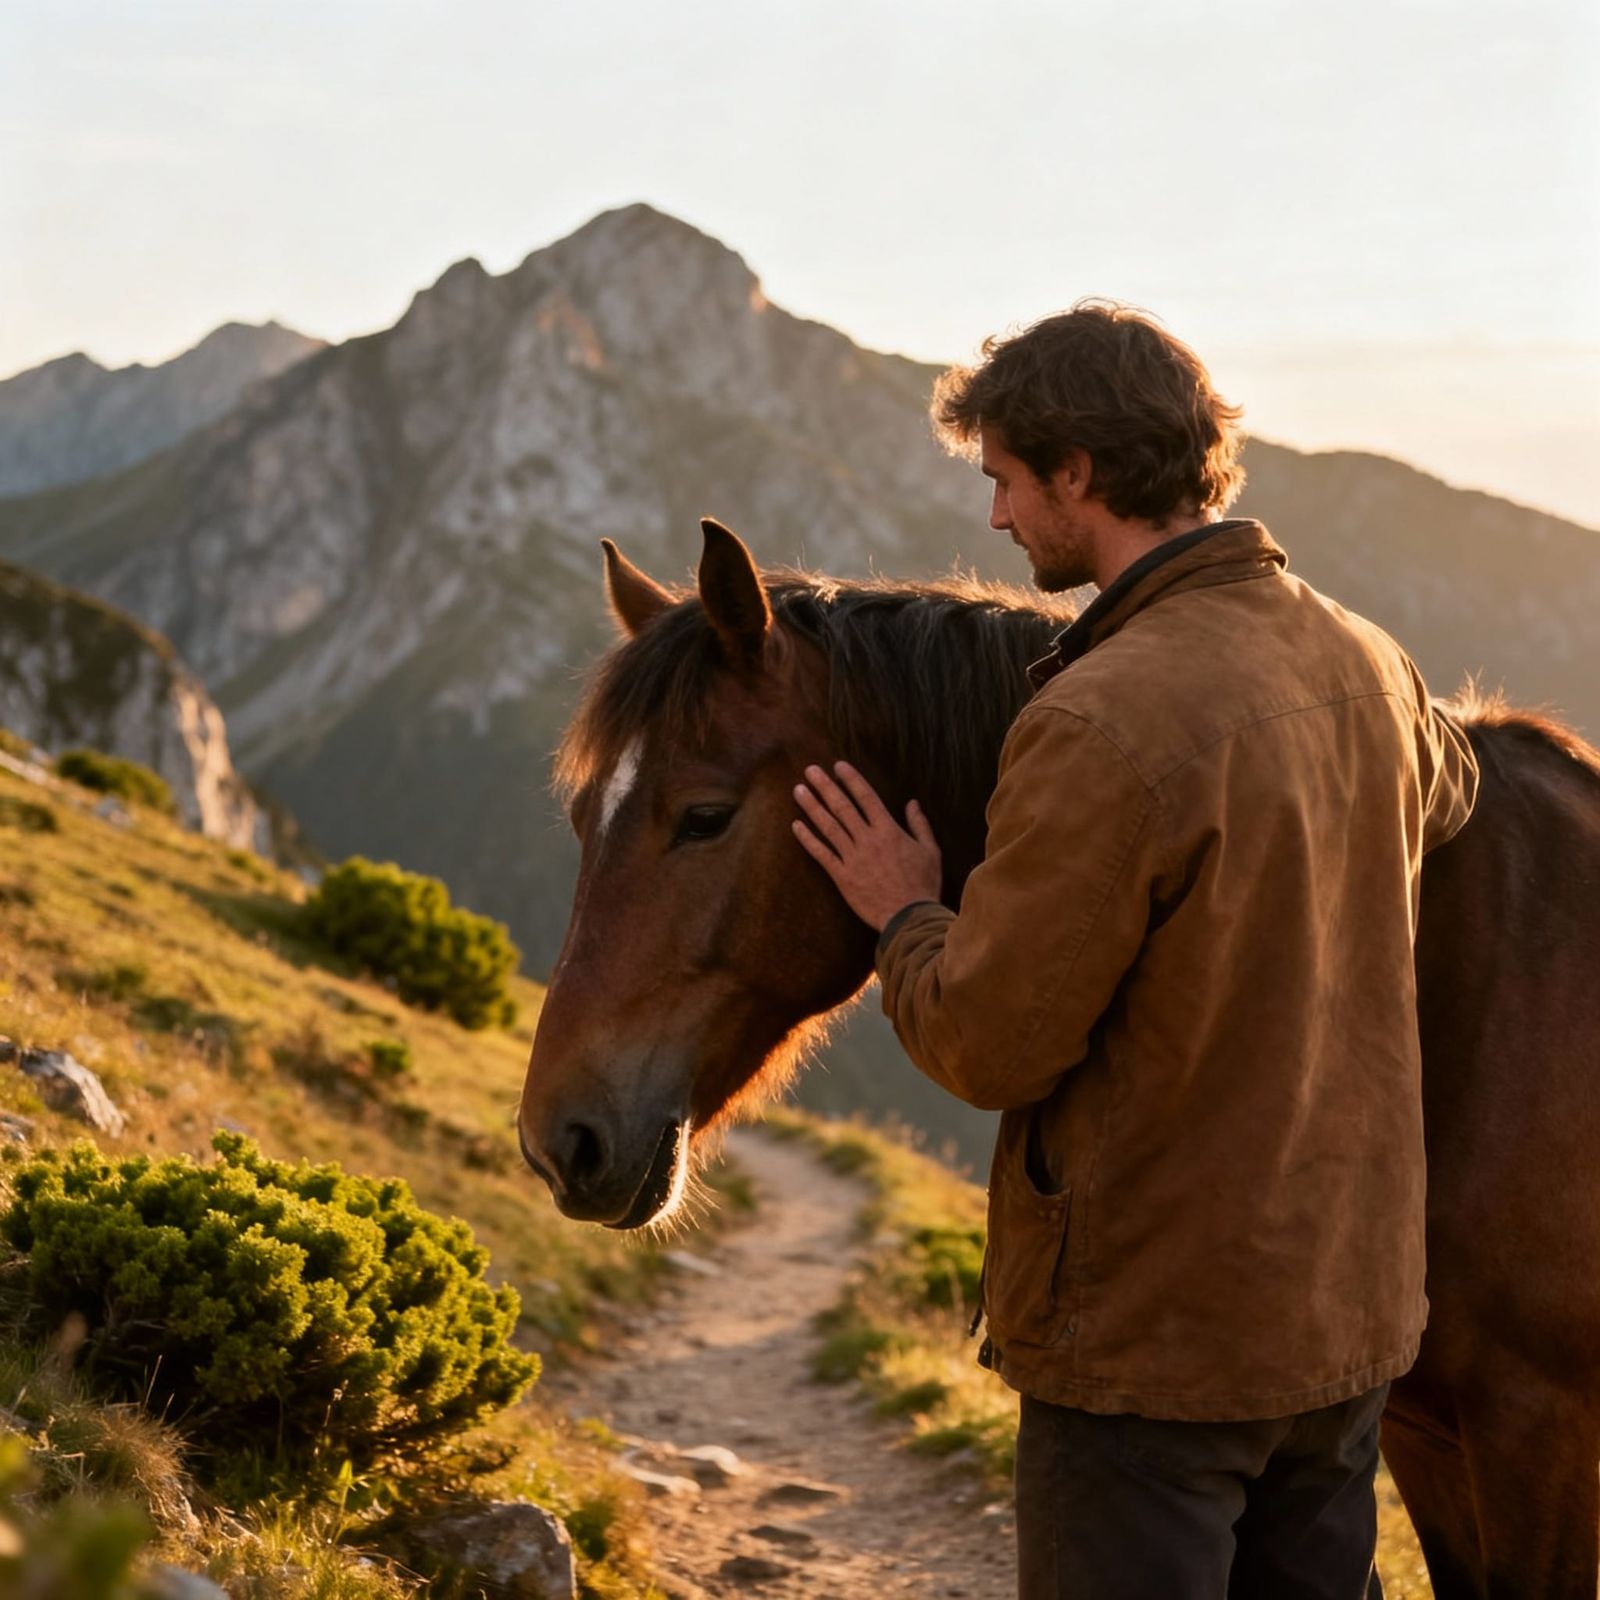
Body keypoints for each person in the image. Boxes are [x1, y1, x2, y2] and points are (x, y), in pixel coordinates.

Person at [790, 301, 1480, 1600]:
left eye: (1004, 481)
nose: (995, 520)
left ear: (1079, 472)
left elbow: (990, 1041)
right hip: (1347, 1313)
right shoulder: (1374, 662)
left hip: (1157, 1345)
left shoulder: (1101, 717)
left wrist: (903, 910)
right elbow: (1448, 801)